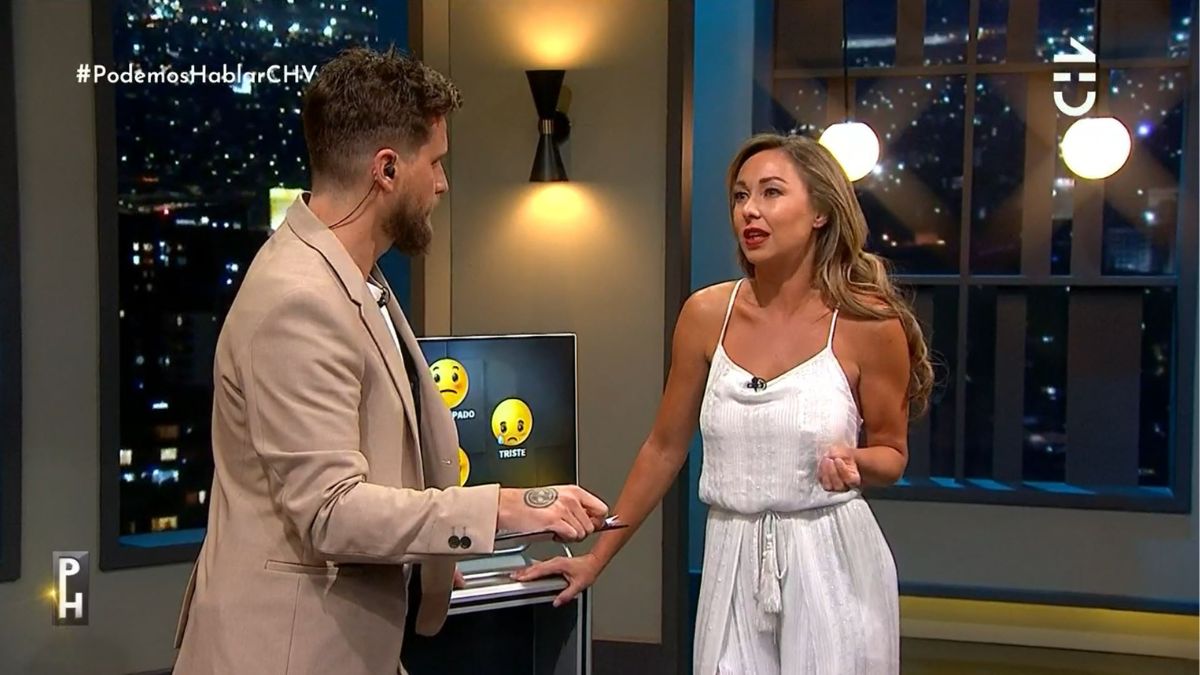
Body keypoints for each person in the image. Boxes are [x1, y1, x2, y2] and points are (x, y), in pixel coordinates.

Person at [172, 47, 608, 675]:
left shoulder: (351, 274)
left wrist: (431, 559)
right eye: (435, 162)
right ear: (386, 169)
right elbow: (330, 510)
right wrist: (503, 508)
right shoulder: (299, 299)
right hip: (286, 652)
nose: (442, 183)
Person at [515, 133, 933, 674]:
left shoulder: (868, 323)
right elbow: (664, 448)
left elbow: (892, 455)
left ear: (821, 213)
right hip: (731, 560)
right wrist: (597, 559)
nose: (749, 210)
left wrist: (856, 463)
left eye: (771, 192)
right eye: (740, 196)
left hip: (830, 563)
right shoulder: (706, 315)